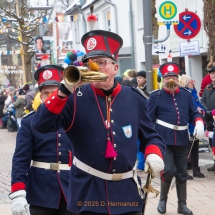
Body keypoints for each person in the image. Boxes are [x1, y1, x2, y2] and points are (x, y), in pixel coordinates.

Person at [32, 30, 166, 215]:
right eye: (90, 63)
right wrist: (62, 91)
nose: (95, 68)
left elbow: (150, 136)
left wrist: (154, 153)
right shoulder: (73, 97)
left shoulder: (134, 98)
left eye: (101, 63)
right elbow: (40, 125)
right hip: (87, 192)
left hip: (126, 193)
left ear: (115, 67)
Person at [9, 65, 76, 215]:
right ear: (40, 95)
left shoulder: (75, 119)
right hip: (40, 190)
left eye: (54, 92)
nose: (50, 96)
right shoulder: (29, 122)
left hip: (72, 188)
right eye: (46, 93)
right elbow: (21, 159)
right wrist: (18, 192)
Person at [147, 62, 204, 215]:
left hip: (182, 138)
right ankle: (163, 200)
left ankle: (182, 205)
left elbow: (194, 113)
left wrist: (198, 121)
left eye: (173, 77)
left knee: (181, 172)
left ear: (178, 79)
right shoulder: (155, 96)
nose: (170, 80)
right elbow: (147, 120)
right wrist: (148, 140)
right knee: (168, 170)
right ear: (163, 80)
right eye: (167, 78)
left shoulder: (185, 95)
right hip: (162, 139)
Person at [179, 75, 205, 179]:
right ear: (186, 82)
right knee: (186, 149)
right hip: (187, 125)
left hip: (194, 124)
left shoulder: (192, 93)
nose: (193, 82)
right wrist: (198, 110)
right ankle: (184, 171)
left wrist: (202, 110)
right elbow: (191, 108)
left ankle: (196, 169)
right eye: (191, 81)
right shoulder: (184, 94)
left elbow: (200, 106)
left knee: (194, 148)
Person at [200, 65, 215, 171]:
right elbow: (203, 100)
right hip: (209, 118)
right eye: (211, 73)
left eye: (214, 73)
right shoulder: (208, 87)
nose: (213, 75)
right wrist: (206, 110)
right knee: (211, 142)